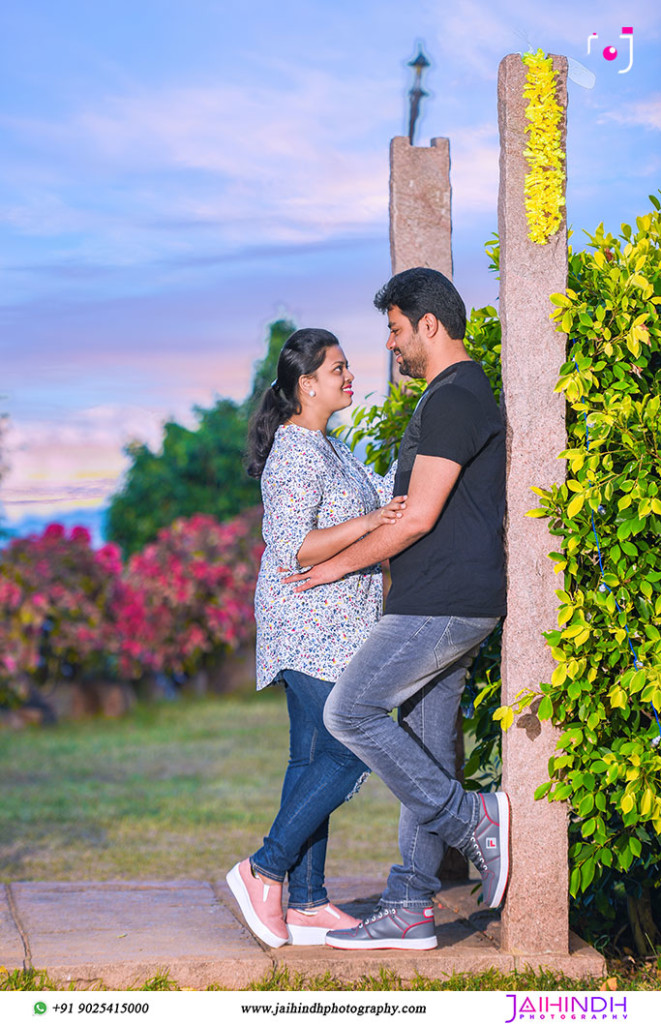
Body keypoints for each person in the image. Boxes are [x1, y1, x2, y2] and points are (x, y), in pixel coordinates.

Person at [283, 269, 510, 951]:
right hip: (442, 598)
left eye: (395, 329)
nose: (390, 344)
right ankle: (410, 902)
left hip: (440, 603)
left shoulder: (452, 398)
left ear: (428, 325)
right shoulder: (454, 396)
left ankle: (472, 824)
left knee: (348, 711)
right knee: (427, 742)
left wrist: (335, 566)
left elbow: (418, 518)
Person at [226, 327, 405, 948]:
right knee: (349, 751)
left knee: (309, 761)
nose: (350, 377)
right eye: (339, 370)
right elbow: (295, 546)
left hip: (335, 630)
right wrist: (372, 520)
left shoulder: (328, 448)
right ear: (307, 385)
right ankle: (264, 869)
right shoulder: (297, 453)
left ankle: (305, 901)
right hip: (308, 627)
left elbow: (386, 501)